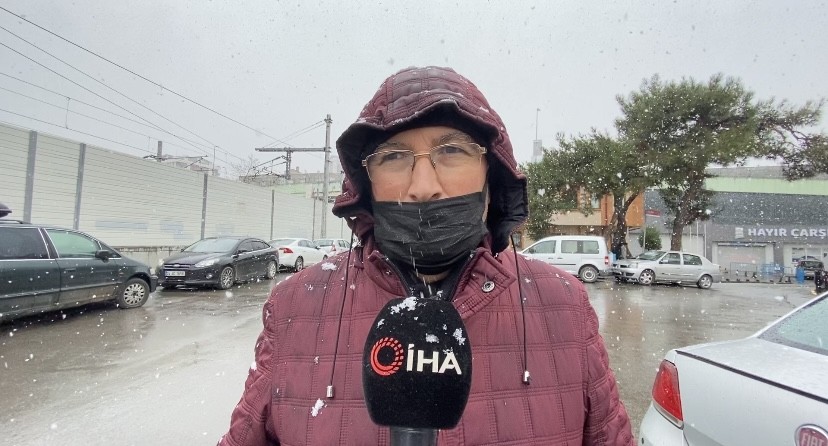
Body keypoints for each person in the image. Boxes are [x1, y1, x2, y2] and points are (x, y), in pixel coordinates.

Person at [219, 66, 633, 445]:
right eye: (395, 156)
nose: (423, 186)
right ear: (366, 182)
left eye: (451, 151)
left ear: (493, 174)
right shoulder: (296, 303)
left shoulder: (563, 303)